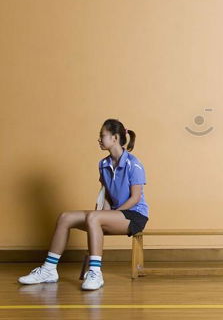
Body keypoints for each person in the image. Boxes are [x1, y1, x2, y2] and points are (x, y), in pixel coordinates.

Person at [18, 119, 149, 291]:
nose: (99, 139)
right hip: (116, 214)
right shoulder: (103, 164)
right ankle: (49, 270)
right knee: (65, 217)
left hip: (135, 215)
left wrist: (106, 216)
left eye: (102, 136)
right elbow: (108, 195)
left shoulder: (134, 163)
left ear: (115, 137)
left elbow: (135, 198)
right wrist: (104, 215)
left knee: (94, 217)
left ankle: (95, 273)